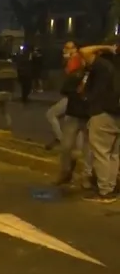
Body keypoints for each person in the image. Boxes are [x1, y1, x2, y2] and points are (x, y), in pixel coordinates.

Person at [81, 45, 120, 203]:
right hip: (118, 113)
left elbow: (84, 51)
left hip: (104, 111)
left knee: (101, 153)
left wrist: (106, 47)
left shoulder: (104, 65)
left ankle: (104, 191)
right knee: (114, 154)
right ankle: (110, 188)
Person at [54, 44, 90, 187]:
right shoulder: (77, 73)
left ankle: (86, 177)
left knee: (87, 149)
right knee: (66, 146)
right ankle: (65, 172)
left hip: (88, 115)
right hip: (73, 113)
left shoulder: (96, 74)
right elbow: (65, 89)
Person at [46, 42, 83, 149]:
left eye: (69, 48)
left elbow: (70, 73)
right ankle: (76, 149)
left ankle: (61, 140)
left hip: (74, 96)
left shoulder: (76, 59)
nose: (65, 50)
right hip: (76, 96)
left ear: (75, 49)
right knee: (76, 123)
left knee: (51, 114)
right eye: (65, 48)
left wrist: (69, 59)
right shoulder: (76, 59)